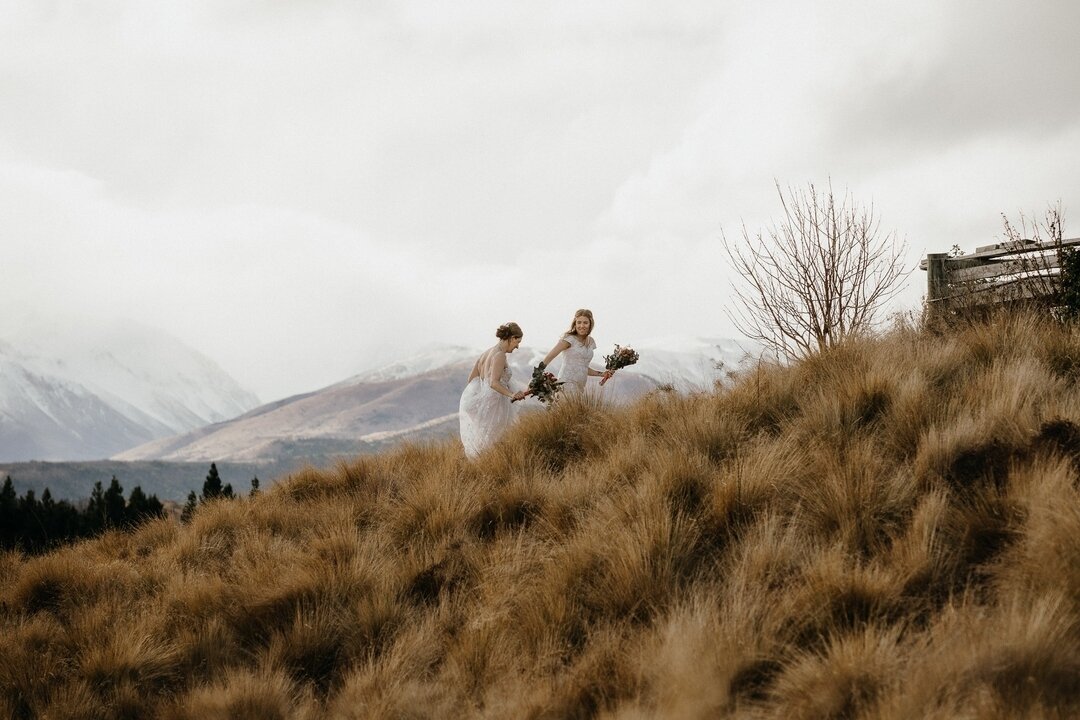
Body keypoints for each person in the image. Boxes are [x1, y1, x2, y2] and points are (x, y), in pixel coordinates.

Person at [459, 322, 528, 459]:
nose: (517, 346)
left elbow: (471, 380)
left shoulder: (486, 353)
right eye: (517, 342)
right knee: (496, 441)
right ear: (512, 338)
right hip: (495, 405)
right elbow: (494, 383)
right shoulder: (500, 355)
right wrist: (512, 394)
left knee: (486, 441)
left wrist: (481, 396)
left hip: (485, 402)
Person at [538, 309, 613, 395]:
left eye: (585, 323)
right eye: (579, 322)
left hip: (580, 385)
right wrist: (538, 373)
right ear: (575, 323)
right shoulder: (569, 339)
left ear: (590, 324)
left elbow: (583, 367)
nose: (582, 325)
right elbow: (550, 356)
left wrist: (602, 374)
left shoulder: (591, 341)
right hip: (566, 383)